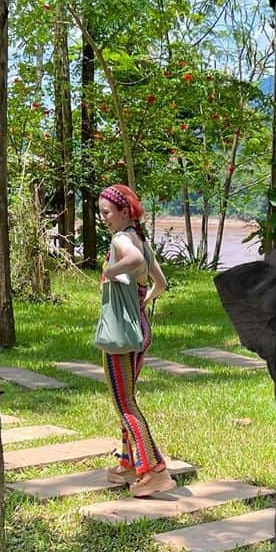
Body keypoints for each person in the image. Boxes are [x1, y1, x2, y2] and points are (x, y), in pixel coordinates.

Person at [96, 183, 175, 497]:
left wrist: (110, 272)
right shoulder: (140, 238)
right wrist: (142, 301)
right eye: (100, 213)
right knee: (126, 398)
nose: (104, 219)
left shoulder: (121, 240)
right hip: (140, 332)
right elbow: (161, 283)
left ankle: (155, 470)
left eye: (107, 213)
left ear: (124, 211)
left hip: (121, 337)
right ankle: (129, 463)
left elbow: (132, 262)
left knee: (125, 403)